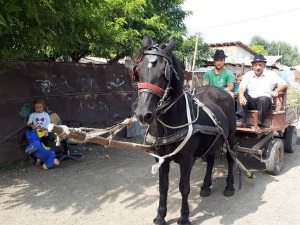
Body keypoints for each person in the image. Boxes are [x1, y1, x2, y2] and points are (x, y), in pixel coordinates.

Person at [236, 54, 287, 128]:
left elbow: (283, 84)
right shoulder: (248, 75)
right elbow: (242, 87)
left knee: (263, 99)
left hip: (264, 103)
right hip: (251, 101)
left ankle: (259, 124)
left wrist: (276, 90)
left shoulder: (271, 75)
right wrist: (241, 96)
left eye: (260, 65)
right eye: (255, 65)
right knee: (241, 95)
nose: (258, 67)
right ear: (252, 66)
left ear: (264, 65)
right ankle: (241, 121)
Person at [27, 99, 51, 165]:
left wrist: (44, 128)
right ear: (34, 108)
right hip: (36, 133)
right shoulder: (32, 115)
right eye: (36, 107)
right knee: (37, 146)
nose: (39, 109)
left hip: (44, 133)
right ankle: (38, 159)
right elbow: (28, 123)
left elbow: (49, 123)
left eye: (40, 107)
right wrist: (32, 125)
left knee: (45, 145)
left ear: (43, 107)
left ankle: (46, 159)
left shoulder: (46, 115)